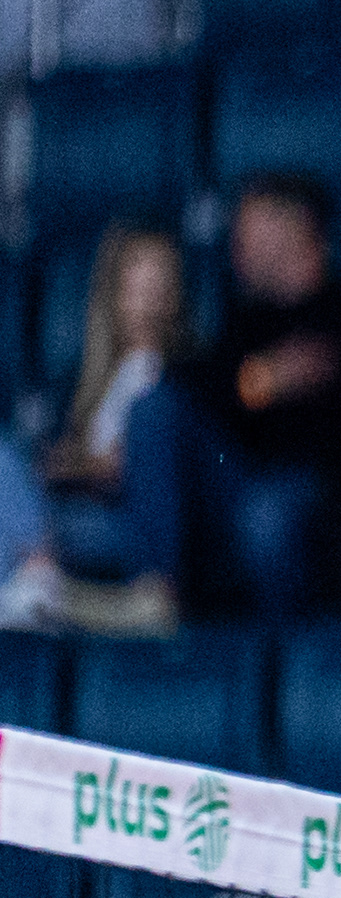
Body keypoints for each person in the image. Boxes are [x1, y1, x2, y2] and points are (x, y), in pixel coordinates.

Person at [129, 172, 341, 624]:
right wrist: (261, 380)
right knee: (153, 409)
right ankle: (154, 600)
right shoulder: (247, 317)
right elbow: (200, 383)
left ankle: (286, 654)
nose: (235, 241)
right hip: (239, 474)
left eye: (249, 227)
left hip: (322, 486)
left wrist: (276, 381)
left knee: (267, 515)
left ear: (294, 229)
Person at [23, 226, 191, 622]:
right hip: (82, 509)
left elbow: (128, 466)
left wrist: (68, 466)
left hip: (130, 524)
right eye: (138, 277)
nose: (149, 291)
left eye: (160, 277)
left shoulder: (172, 374)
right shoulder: (99, 377)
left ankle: (43, 591)